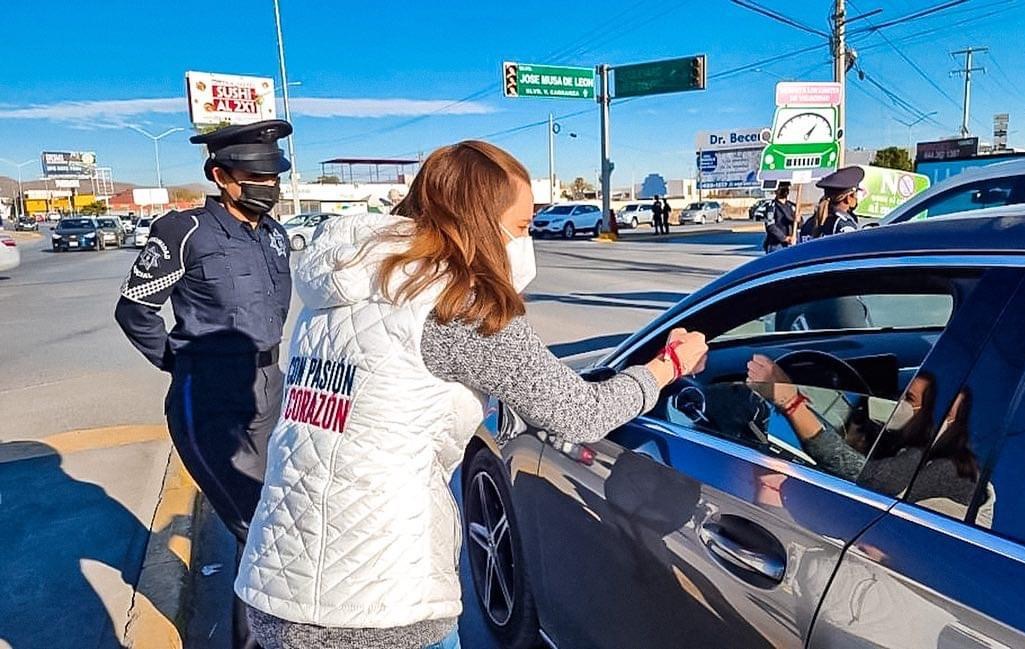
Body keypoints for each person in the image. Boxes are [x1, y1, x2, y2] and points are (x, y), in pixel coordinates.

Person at [234, 140, 709, 649]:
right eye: (523, 227)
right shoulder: (458, 304)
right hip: (376, 601)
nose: (526, 243)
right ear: (480, 220)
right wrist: (668, 367)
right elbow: (581, 412)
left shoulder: (347, 287)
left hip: (278, 580)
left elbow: (391, 398)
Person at [114, 119, 294, 649]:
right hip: (209, 396)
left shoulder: (277, 235)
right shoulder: (182, 231)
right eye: (254, 176)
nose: (269, 186)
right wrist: (184, 362)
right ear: (219, 175)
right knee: (259, 529)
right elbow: (135, 311)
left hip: (269, 386)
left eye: (274, 176)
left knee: (273, 516)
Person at [798, 166, 864, 243]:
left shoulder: (811, 223)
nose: (856, 199)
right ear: (848, 198)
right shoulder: (844, 224)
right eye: (855, 195)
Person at [761, 183, 796, 253]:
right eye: (781, 189)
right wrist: (784, 238)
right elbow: (770, 226)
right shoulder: (771, 207)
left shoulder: (792, 206)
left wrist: (798, 220)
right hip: (776, 244)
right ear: (776, 191)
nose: (784, 191)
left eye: (786, 188)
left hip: (791, 243)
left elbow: (799, 225)